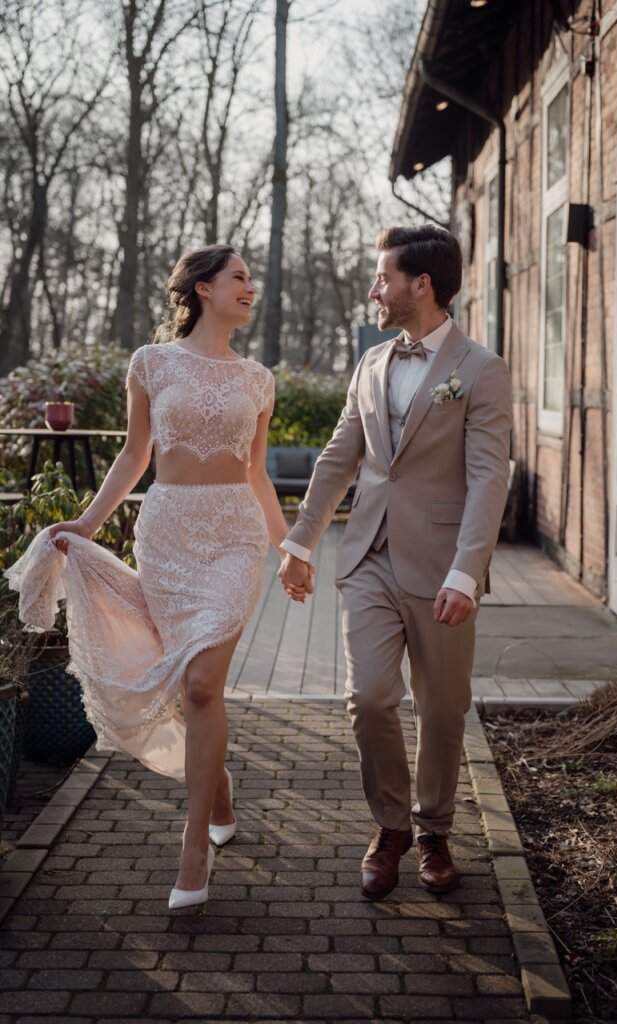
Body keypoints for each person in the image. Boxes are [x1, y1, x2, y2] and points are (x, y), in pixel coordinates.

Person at [5, 244, 306, 909]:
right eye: (239, 277)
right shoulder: (151, 363)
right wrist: (87, 523)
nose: (250, 287)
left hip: (233, 539)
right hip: (168, 537)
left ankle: (194, 845)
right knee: (192, 692)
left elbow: (257, 474)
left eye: (251, 279)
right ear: (203, 288)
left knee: (201, 683)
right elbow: (135, 454)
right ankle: (217, 791)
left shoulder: (258, 379)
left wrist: (291, 548)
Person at [278, 224, 513, 900]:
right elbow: (338, 457)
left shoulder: (481, 370)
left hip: (443, 566)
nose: (374, 290)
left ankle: (434, 831)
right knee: (370, 698)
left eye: (383, 278)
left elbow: (488, 477)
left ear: (422, 284)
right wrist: (300, 542)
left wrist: (467, 571)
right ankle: (391, 828)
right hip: (368, 558)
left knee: (442, 708)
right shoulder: (371, 362)